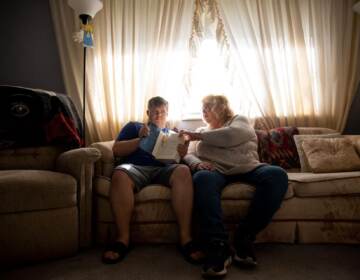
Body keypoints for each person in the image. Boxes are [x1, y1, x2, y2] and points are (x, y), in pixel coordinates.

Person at [181, 95, 288, 277]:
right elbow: (187, 154)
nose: (204, 111)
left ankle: (244, 237)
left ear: (222, 108)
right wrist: (196, 164)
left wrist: (195, 136)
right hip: (215, 169)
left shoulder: (239, 120)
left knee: (277, 175)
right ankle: (219, 246)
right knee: (202, 179)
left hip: (248, 166)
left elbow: (230, 136)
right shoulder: (200, 130)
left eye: (209, 107)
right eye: (203, 108)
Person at [102, 96, 201, 264]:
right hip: (135, 168)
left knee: (184, 171)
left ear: (167, 113)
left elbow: (179, 160)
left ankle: (186, 239)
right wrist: (140, 139)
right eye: (155, 112)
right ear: (148, 113)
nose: (159, 115)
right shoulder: (134, 126)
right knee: (119, 174)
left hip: (163, 169)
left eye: (162, 112)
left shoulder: (174, 133)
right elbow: (117, 150)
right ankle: (123, 240)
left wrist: (182, 152)